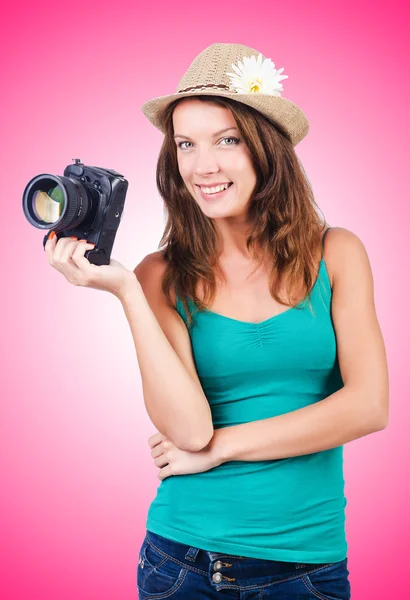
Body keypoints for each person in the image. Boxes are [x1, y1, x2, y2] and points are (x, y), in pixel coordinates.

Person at [45, 43, 389, 599]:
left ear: (265, 150)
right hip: (181, 561)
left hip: (306, 566)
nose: (203, 166)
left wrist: (222, 448)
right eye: (186, 144)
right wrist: (128, 293)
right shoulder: (160, 275)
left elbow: (369, 405)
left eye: (226, 140)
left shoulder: (337, 253)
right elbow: (188, 432)